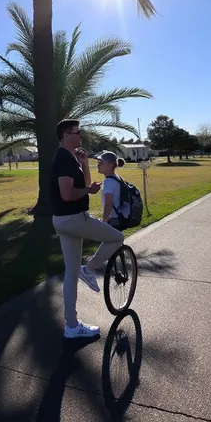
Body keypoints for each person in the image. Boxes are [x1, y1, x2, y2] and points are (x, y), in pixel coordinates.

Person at [51, 120, 124, 339]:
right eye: (77, 132)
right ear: (66, 135)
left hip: (64, 221)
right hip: (73, 219)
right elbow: (67, 194)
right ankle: (90, 268)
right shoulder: (63, 159)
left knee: (70, 273)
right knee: (117, 237)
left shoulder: (70, 158)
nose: (80, 135)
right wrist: (87, 191)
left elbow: (85, 186)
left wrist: (83, 164)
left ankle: (72, 326)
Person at [96, 151, 130, 226]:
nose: (98, 165)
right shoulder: (117, 177)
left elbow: (108, 203)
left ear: (110, 164)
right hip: (119, 217)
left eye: (101, 162)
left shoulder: (108, 181)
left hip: (112, 219)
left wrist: (104, 221)